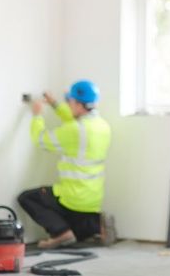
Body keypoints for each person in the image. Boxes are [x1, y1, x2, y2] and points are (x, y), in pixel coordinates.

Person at [18, 80, 112, 248]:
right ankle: (97, 226)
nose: (67, 105)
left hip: (72, 197)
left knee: (27, 198)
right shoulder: (102, 126)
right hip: (93, 199)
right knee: (78, 224)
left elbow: (40, 140)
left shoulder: (75, 130)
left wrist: (37, 115)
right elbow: (72, 118)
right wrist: (54, 104)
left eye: (69, 101)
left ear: (78, 104)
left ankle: (61, 233)